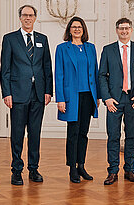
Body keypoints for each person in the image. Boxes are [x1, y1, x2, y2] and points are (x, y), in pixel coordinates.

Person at [0, 5, 53, 185]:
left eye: (31, 15)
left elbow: (47, 67)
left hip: (38, 94)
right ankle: (16, 170)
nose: (28, 18)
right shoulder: (10, 39)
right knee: (17, 133)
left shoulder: (42, 39)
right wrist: (6, 93)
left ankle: (33, 169)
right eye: (25, 15)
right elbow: (5, 69)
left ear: (35, 18)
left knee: (35, 133)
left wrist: (48, 91)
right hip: (17, 94)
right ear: (20, 18)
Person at [98, 18, 134, 185]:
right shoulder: (108, 50)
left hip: (133, 99)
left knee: (132, 136)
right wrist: (106, 98)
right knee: (113, 136)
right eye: (121, 28)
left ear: (131, 30)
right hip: (114, 100)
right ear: (116, 30)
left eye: (127, 28)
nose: (124, 31)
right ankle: (112, 171)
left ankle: (130, 169)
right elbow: (102, 75)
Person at [55, 16, 100, 183]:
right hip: (71, 97)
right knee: (73, 133)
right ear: (69, 30)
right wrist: (60, 99)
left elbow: (95, 73)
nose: (76, 29)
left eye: (79, 27)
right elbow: (58, 75)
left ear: (83, 30)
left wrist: (98, 97)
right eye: (73, 27)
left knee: (83, 133)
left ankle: (81, 165)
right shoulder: (62, 48)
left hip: (88, 96)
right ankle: (72, 168)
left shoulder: (91, 48)